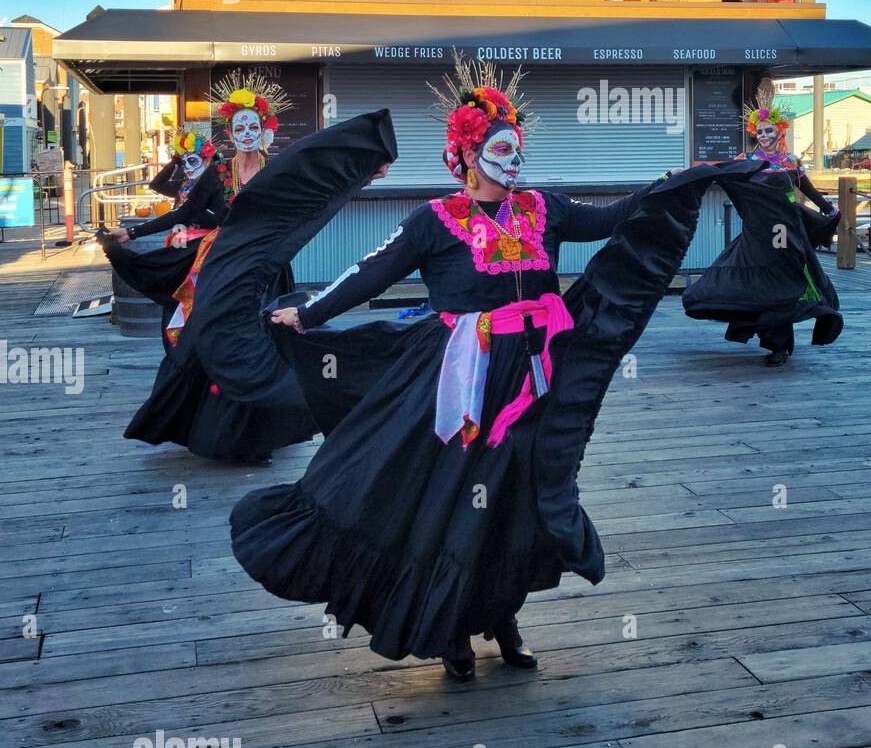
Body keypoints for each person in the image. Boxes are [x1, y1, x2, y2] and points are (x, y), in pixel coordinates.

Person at [230, 58, 756, 680]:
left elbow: (616, 218)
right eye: (499, 146)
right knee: (453, 500)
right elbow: (370, 273)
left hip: (532, 376)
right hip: (459, 380)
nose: (512, 158)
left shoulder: (546, 208)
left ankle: (502, 618)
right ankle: (450, 630)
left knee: (513, 500)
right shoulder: (434, 221)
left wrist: (677, 178)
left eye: (516, 146)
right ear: (468, 153)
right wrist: (309, 314)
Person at [122, 73, 319, 463]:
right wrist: (132, 235)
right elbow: (187, 211)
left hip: (266, 272)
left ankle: (262, 433)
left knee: (266, 344)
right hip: (226, 271)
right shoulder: (218, 173)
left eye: (252, 126)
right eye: (238, 127)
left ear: (264, 130)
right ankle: (220, 428)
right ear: (230, 134)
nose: (246, 132)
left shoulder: (279, 170)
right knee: (218, 340)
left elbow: (305, 206)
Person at [682, 90, 842, 367]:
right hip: (758, 233)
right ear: (754, 134)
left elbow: (809, 191)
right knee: (761, 283)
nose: (765, 136)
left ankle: (781, 345)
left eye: (770, 131)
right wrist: (690, 176)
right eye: (760, 132)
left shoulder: (790, 162)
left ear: (779, 131)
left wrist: (828, 209)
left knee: (782, 281)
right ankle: (771, 339)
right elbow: (722, 175)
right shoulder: (747, 161)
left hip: (785, 232)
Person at [99, 131, 228, 338]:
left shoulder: (216, 184)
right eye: (185, 163)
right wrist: (175, 161)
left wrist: (133, 232)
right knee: (177, 299)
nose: (188, 168)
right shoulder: (184, 186)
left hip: (203, 252)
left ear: (208, 159)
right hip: (181, 248)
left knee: (191, 302)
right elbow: (156, 185)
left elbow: (193, 215)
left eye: (192, 161)